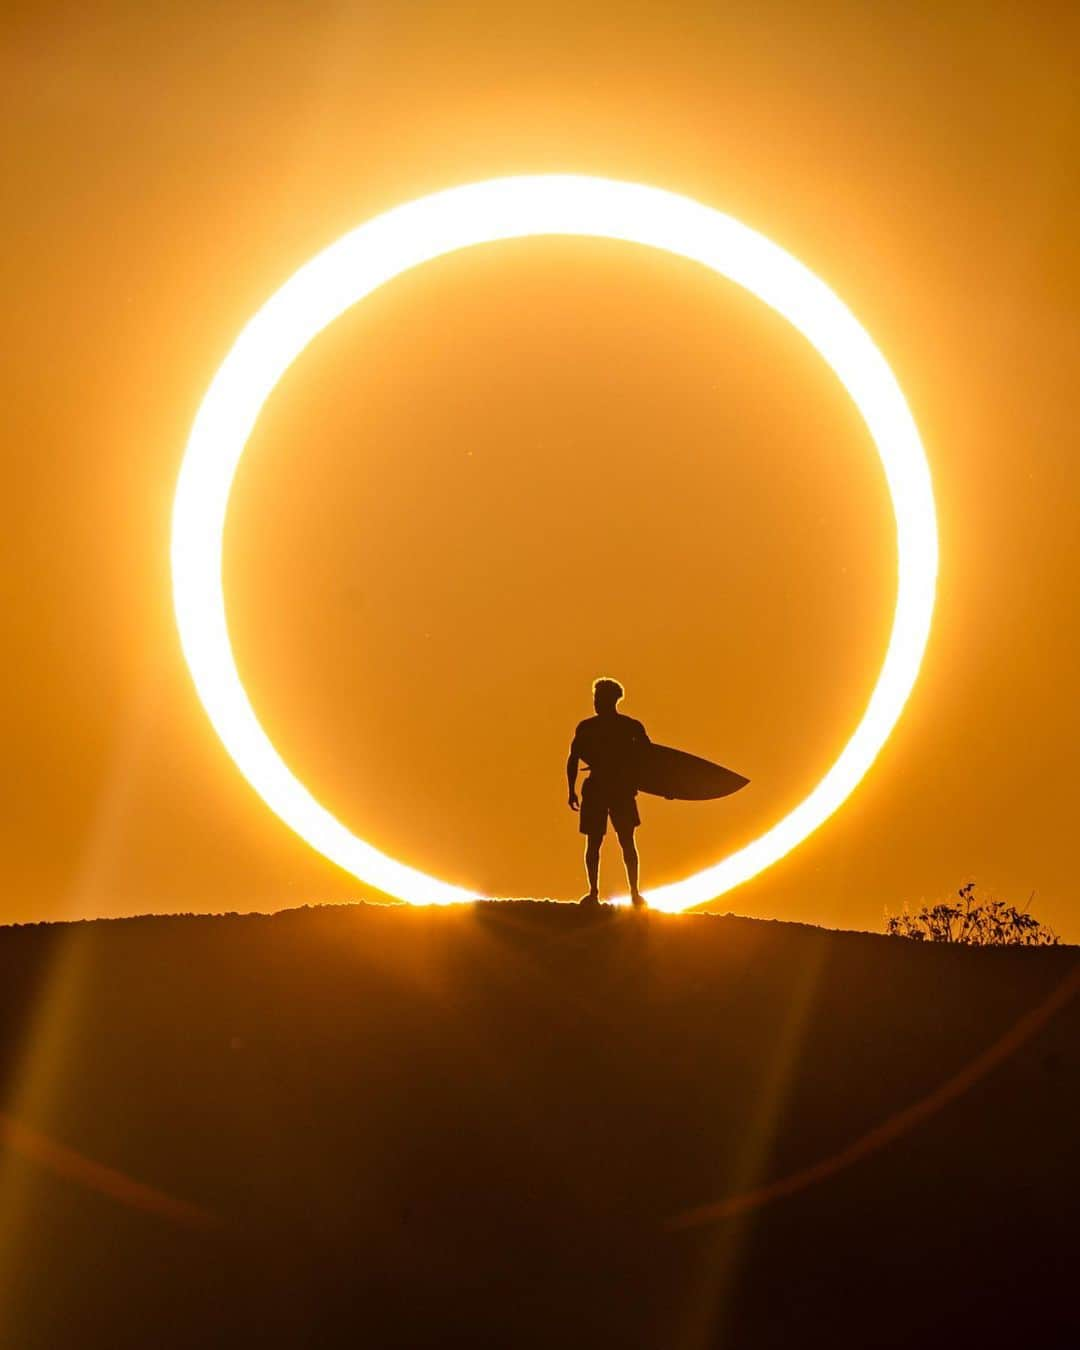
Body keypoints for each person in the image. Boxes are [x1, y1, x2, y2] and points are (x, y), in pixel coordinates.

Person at [566, 677, 649, 908]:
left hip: (620, 790)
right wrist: (571, 790)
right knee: (594, 843)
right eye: (595, 698)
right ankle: (593, 892)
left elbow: (649, 759)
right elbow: (573, 758)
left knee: (626, 841)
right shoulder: (587, 727)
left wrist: (667, 787)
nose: (595, 702)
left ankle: (634, 893)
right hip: (598, 790)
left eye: (599, 698)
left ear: (610, 700)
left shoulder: (630, 727)